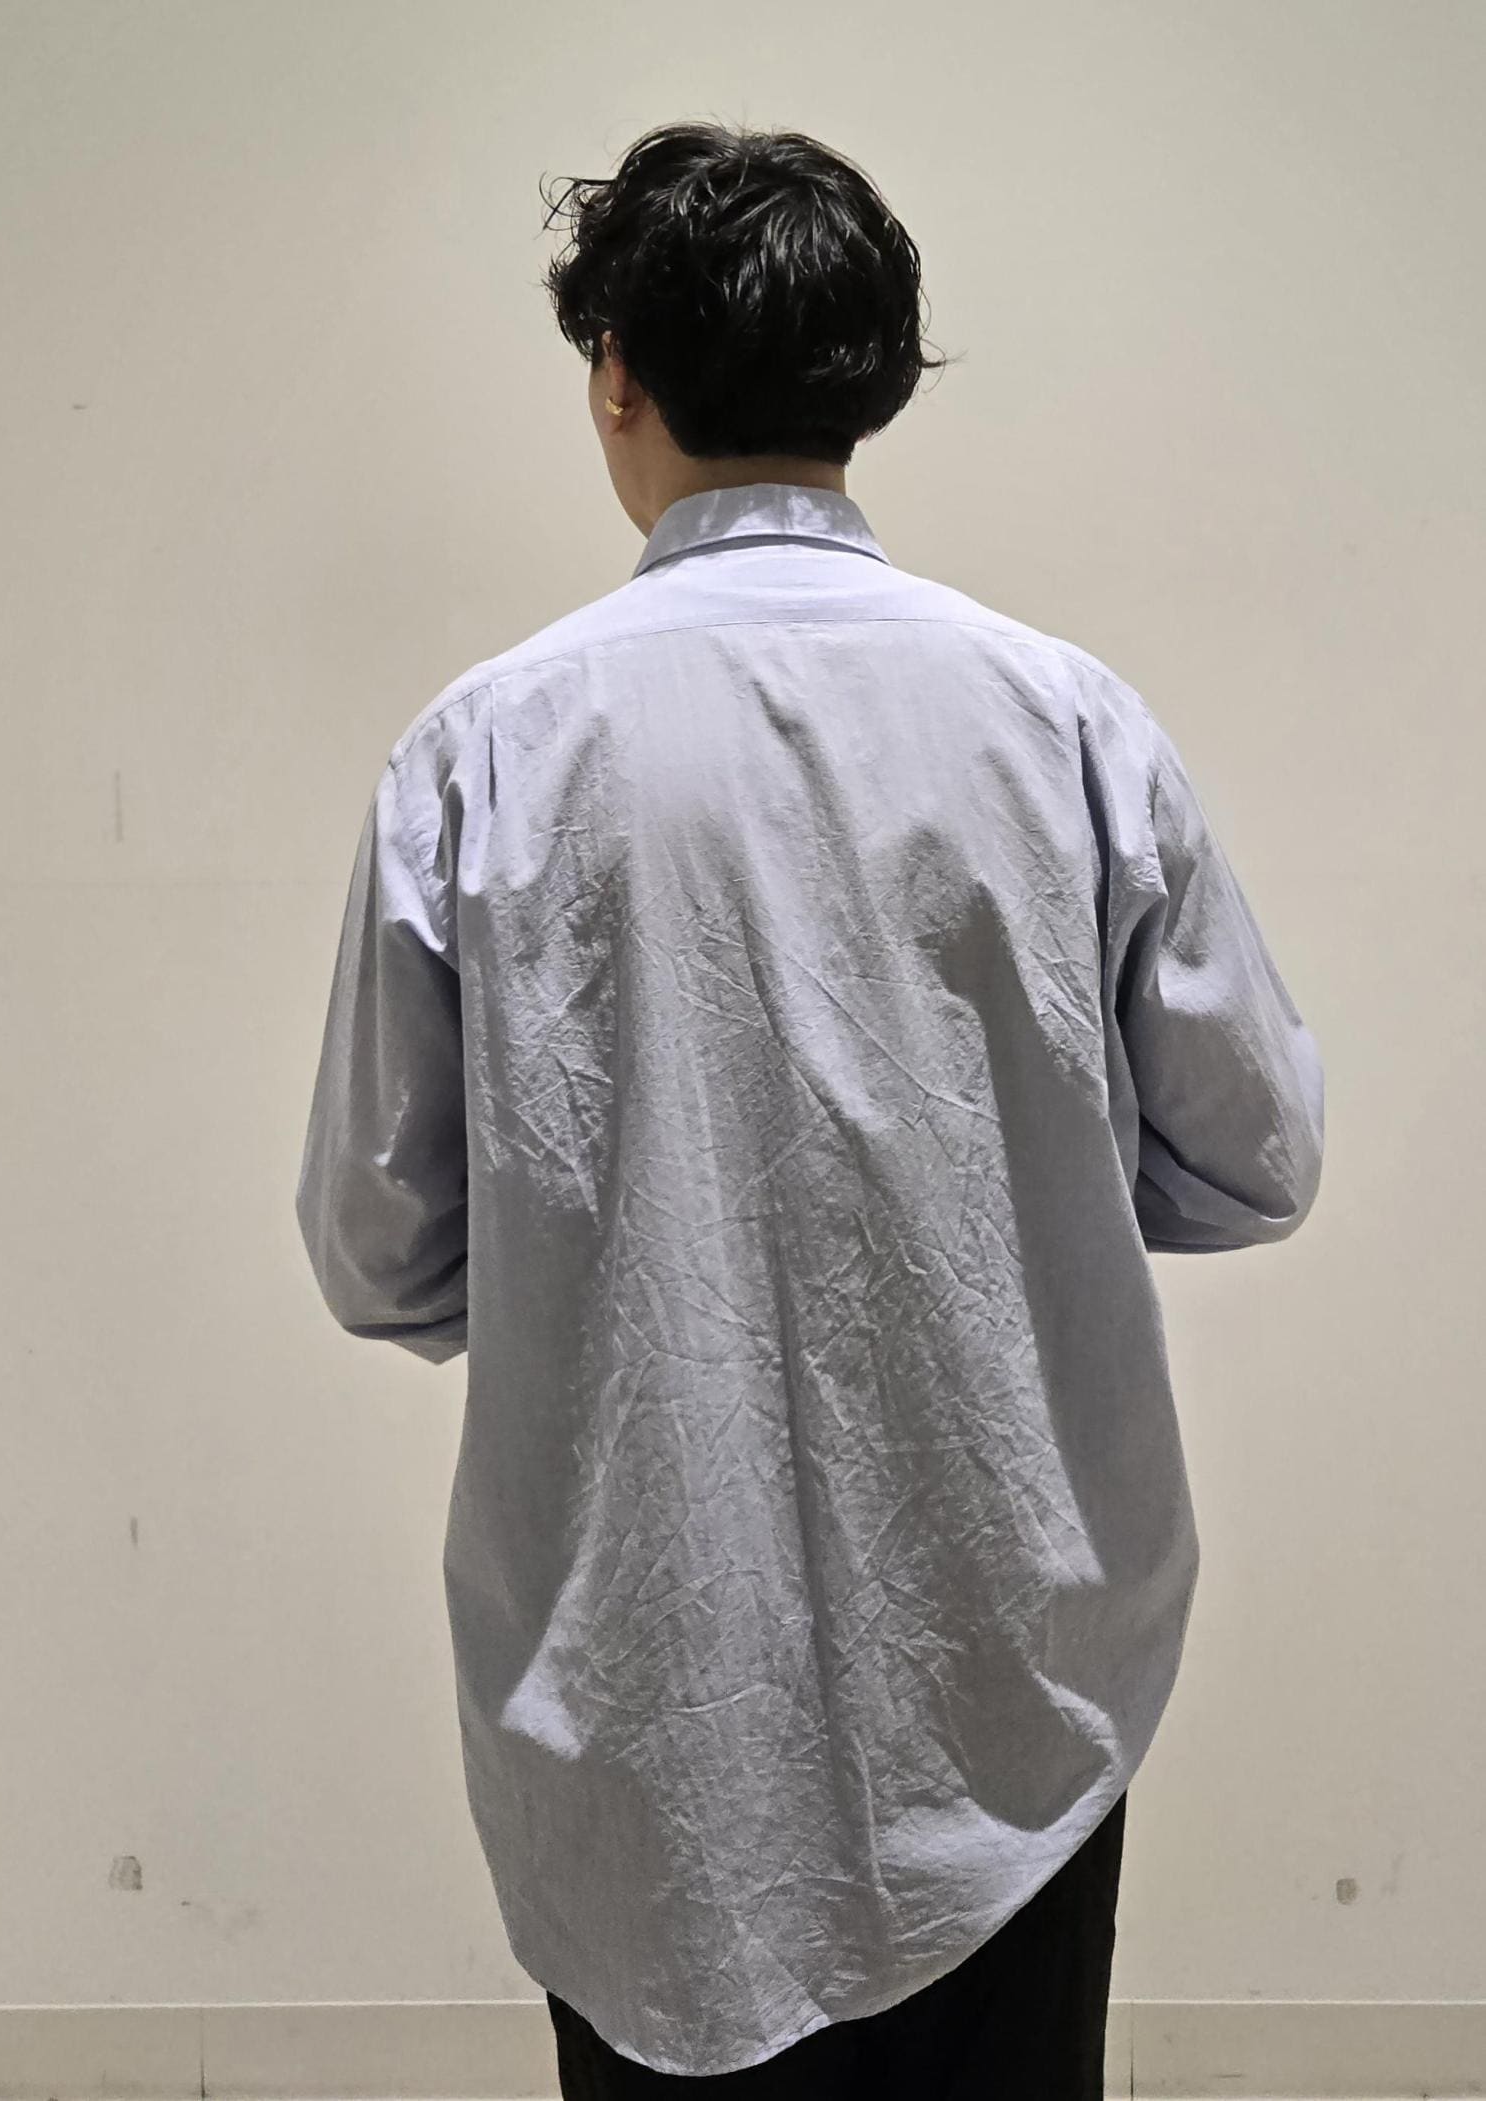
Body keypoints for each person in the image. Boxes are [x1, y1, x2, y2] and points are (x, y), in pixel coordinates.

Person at [294, 120, 1324, 2095]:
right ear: (873, 378)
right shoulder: (1064, 721)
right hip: (1012, 1691)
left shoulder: (483, 753)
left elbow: (378, 1242)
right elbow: (1258, 1149)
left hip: (639, 1702)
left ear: (616, 375)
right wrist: (1018, 1173)